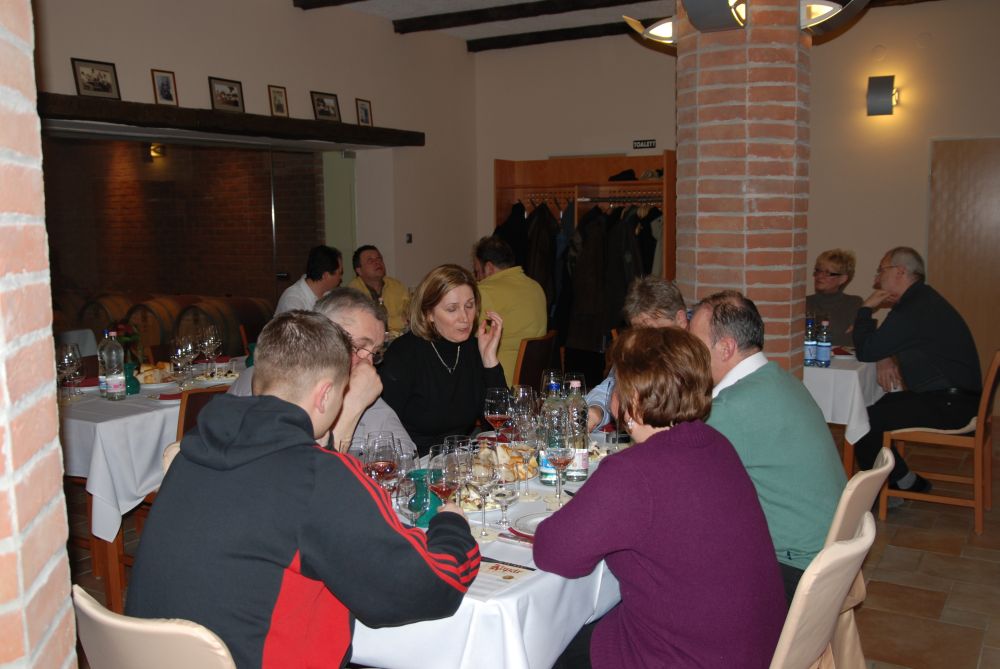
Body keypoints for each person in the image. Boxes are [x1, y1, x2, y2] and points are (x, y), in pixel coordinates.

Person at [126, 311, 479, 668]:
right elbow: (425, 588)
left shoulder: (191, 453)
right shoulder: (318, 476)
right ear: (325, 395)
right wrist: (452, 525)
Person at [534, 328, 786, 669]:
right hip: (755, 648)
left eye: (617, 384)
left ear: (634, 400)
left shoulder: (632, 472)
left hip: (687, 658)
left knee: (544, 646)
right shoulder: (716, 443)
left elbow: (554, 553)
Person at [689, 290, 846, 603]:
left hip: (795, 570)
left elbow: (674, 481)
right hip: (830, 556)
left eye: (694, 344)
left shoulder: (731, 407)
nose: (687, 353)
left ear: (726, 348)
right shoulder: (781, 380)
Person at [852, 246, 981, 491]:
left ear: (900, 271)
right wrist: (884, 356)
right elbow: (881, 346)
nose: (877, 279)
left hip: (951, 406)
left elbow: (867, 350)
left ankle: (887, 488)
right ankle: (902, 480)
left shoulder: (912, 308)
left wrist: (865, 309)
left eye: (881, 270)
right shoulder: (922, 300)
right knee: (875, 407)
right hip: (957, 399)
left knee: (864, 420)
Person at [228, 287, 416, 455]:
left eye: (375, 353)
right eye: (358, 347)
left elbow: (406, 459)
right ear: (319, 335)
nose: (368, 366)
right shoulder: (262, 381)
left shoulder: (365, 393)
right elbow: (300, 476)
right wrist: (351, 408)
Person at [379, 264, 505, 455]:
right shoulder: (404, 354)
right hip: (417, 459)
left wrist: (489, 361)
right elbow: (383, 429)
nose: (465, 318)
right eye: (452, 309)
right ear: (429, 313)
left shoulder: (472, 349)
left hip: (461, 458)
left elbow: (499, 425)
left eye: (469, 306)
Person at [586, 276, 688, 432]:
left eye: (652, 331)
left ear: (680, 319)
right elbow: (609, 388)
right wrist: (596, 411)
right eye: (639, 331)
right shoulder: (638, 346)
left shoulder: (699, 355)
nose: (645, 341)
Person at [472, 235, 547, 387]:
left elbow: (466, 338)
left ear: (489, 268)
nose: (477, 279)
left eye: (477, 272)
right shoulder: (536, 287)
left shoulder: (484, 291)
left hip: (499, 383)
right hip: (533, 383)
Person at [806, 248, 863, 346]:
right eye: (818, 270)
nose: (819, 276)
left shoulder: (853, 303)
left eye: (827, 273)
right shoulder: (805, 302)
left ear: (842, 279)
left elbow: (845, 340)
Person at [348, 245, 410, 335]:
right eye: (370, 261)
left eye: (379, 259)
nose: (377, 262)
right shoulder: (352, 292)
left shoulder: (396, 286)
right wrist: (398, 321)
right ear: (359, 270)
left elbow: (409, 315)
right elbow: (367, 324)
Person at [275, 245, 344, 315]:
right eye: (340, 273)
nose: (340, 278)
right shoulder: (293, 300)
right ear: (326, 275)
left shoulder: (329, 294)